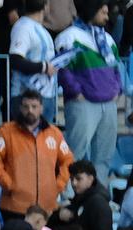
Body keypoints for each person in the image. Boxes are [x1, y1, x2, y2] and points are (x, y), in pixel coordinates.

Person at [0, 90, 72, 219]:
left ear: (41, 109)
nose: (30, 110)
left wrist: (58, 185)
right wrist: (7, 183)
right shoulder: (7, 132)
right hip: (14, 206)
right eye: (26, 107)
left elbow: (68, 160)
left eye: (34, 107)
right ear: (20, 108)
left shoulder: (54, 134)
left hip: (46, 207)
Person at [54, 0, 120, 168]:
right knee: (75, 154)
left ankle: (100, 193)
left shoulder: (108, 39)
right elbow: (63, 69)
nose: (107, 17)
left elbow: (116, 68)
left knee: (104, 157)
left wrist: (116, 89)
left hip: (108, 103)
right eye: (103, 12)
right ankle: (70, 194)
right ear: (92, 11)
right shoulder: (69, 36)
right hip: (83, 103)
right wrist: (76, 92)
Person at [9, 0, 58, 113]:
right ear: (46, 6)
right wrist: (44, 67)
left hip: (46, 94)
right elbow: (15, 60)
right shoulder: (23, 27)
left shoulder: (40, 29)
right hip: (26, 97)